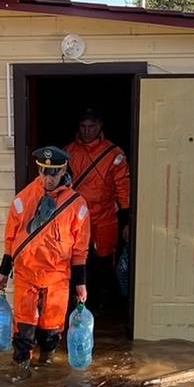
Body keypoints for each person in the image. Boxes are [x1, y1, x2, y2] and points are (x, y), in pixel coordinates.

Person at [0, 145, 90, 365]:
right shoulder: (22, 199)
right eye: (43, 172)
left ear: (63, 170)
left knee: (50, 334)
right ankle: (22, 378)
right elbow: (11, 239)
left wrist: (80, 283)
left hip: (56, 278)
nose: (48, 179)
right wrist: (3, 272)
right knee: (23, 334)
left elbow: (80, 248)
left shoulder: (77, 205)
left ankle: (46, 380)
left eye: (54, 173)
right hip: (26, 275)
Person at [65, 108, 130, 310]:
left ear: (100, 126)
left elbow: (123, 188)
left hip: (105, 217)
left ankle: (105, 304)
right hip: (76, 218)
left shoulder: (114, 154)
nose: (86, 131)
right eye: (83, 127)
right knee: (77, 259)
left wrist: (127, 222)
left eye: (91, 126)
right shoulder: (68, 152)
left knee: (104, 262)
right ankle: (80, 302)